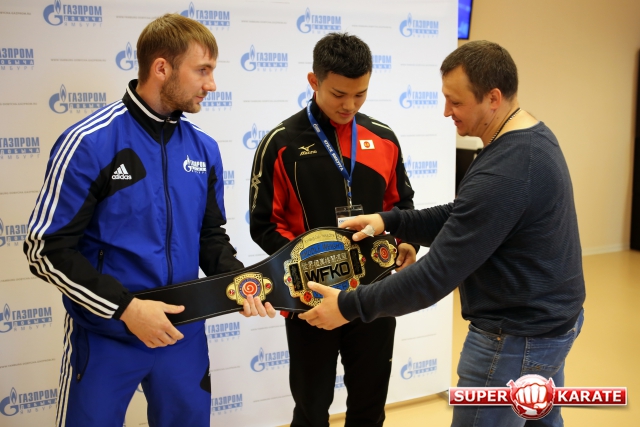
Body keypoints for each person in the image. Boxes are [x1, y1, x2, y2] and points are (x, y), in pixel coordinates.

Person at [299, 40, 586, 427]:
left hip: (515, 339)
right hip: (549, 326)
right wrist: (390, 221)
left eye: (456, 102)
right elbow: (463, 215)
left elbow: (434, 277)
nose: (446, 111)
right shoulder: (528, 137)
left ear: (493, 98)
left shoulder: (507, 169)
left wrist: (349, 306)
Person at [24, 14, 274, 427]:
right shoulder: (89, 142)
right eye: (202, 70)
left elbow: (210, 236)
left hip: (182, 333)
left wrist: (236, 282)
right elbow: (45, 249)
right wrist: (126, 309)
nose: (211, 84)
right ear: (162, 68)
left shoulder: (204, 148)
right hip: (107, 334)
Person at [249, 33, 418, 427]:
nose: (350, 105)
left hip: (375, 294)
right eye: (339, 94)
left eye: (360, 94)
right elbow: (264, 224)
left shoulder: (384, 138)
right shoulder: (281, 144)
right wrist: (313, 266)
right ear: (314, 81)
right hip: (310, 298)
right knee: (311, 410)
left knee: (369, 408)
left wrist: (406, 241)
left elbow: (402, 207)